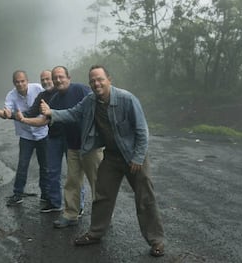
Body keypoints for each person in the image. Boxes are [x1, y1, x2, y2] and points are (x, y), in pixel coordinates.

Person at [40, 65, 165, 257]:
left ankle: (156, 241)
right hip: (112, 156)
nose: (96, 83)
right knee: (102, 194)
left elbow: (142, 131)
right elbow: (73, 113)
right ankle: (95, 233)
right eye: (92, 81)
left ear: (109, 79)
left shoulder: (127, 99)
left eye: (100, 79)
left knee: (145, 198)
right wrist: (52, 114)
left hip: (133, 156)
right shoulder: (90, 100)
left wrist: (138, 157)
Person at [18, 66, 103, 227]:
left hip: (90, 145)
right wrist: (24, 120)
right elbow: (44, 120)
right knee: (72, 182)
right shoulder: (55, 99)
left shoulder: (80, 90)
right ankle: (71, 214)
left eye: (61, 77)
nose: (58, 80)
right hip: (72, 146)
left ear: (68, 78)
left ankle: (103, 216)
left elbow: (97, 105)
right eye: (55, 77)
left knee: (97, 182)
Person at [0, 70, 49, 207]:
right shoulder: (11, 95)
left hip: (43, 132)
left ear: (27, 81)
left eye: (22, 81)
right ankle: (18, 194)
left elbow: (50, 99)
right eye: (17, 82)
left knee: (45, 166)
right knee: (22, 165)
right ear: (14, 83)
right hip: (25, 135)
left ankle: (46, 195)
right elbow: (5, 114)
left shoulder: (38, 88)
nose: (20, 84)